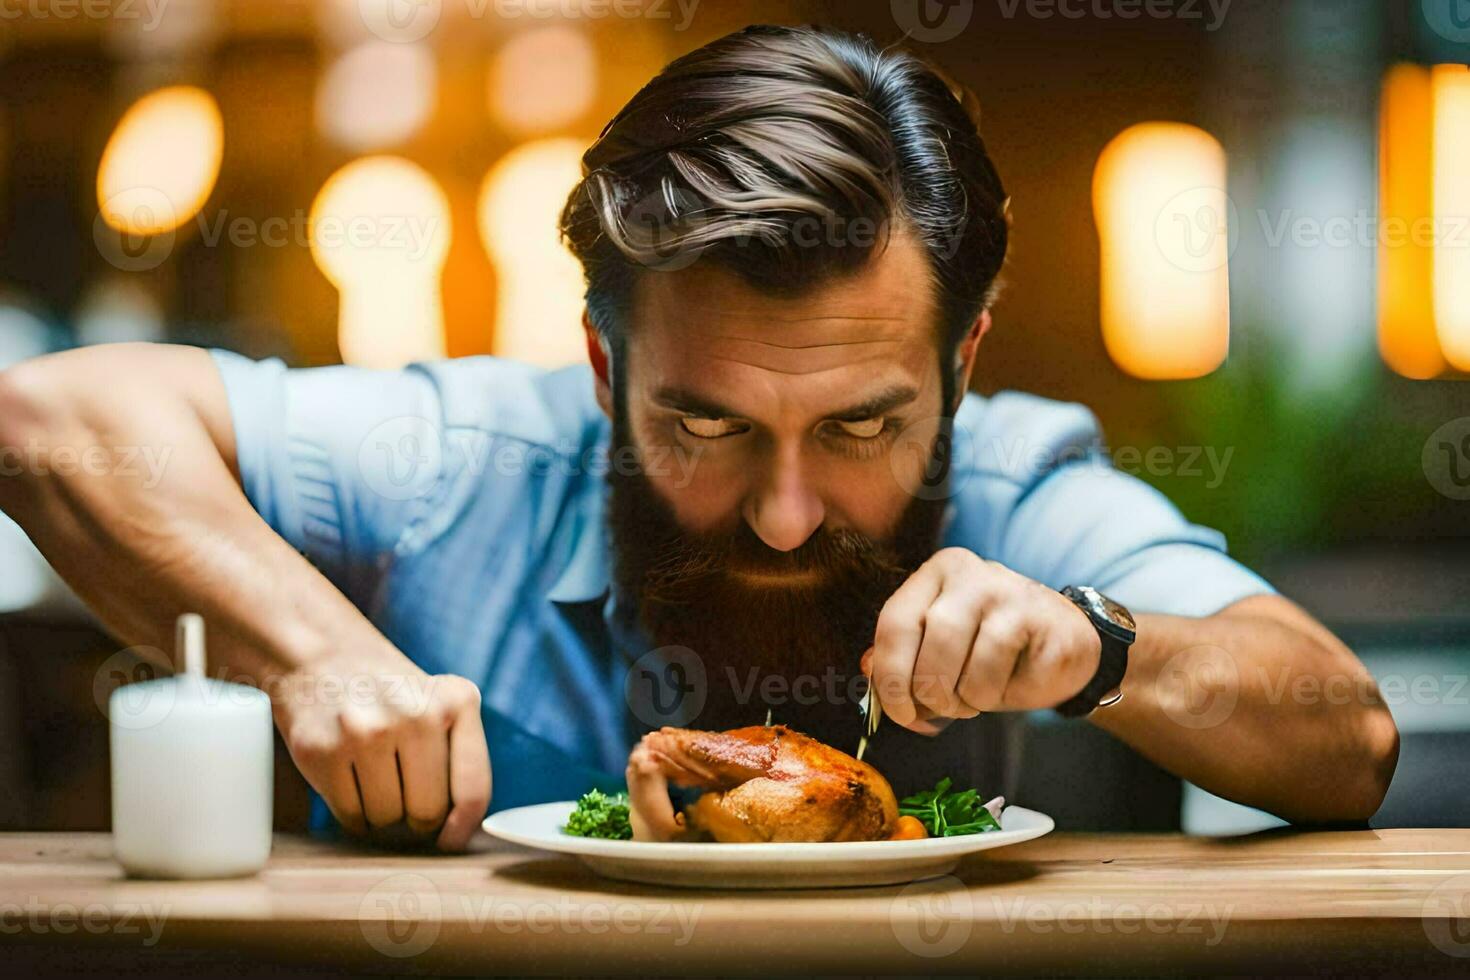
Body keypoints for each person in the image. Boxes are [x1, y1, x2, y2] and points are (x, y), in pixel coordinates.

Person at [0, 26, 1397, 851]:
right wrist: (312, 657)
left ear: (959, 363)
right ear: (604, 366)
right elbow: (47, 420)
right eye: (703, 421)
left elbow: (1346, 741)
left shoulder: (1022, 485)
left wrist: (1098, 644)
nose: (785, 511)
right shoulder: (461, 458)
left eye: (862, 425)